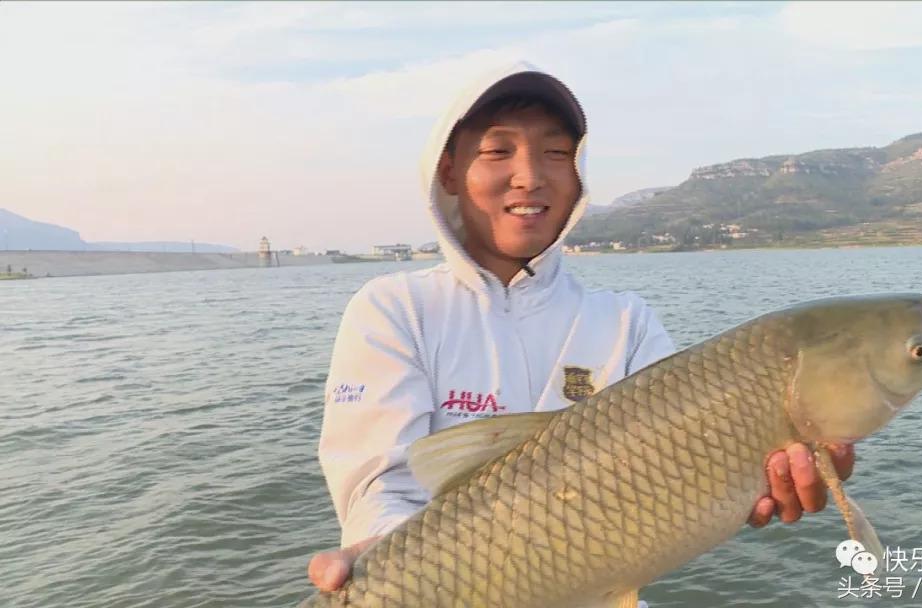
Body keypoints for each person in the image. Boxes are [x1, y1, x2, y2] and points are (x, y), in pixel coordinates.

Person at [307, 62, 855, 594]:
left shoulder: (625, 321)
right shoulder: (396, 308)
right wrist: (390, 566)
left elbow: (675, 483)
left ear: (578, 174)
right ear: (449, 170)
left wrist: (755, 484)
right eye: (498, 150)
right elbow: (382, 481)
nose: (530, 175)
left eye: (557, 152)